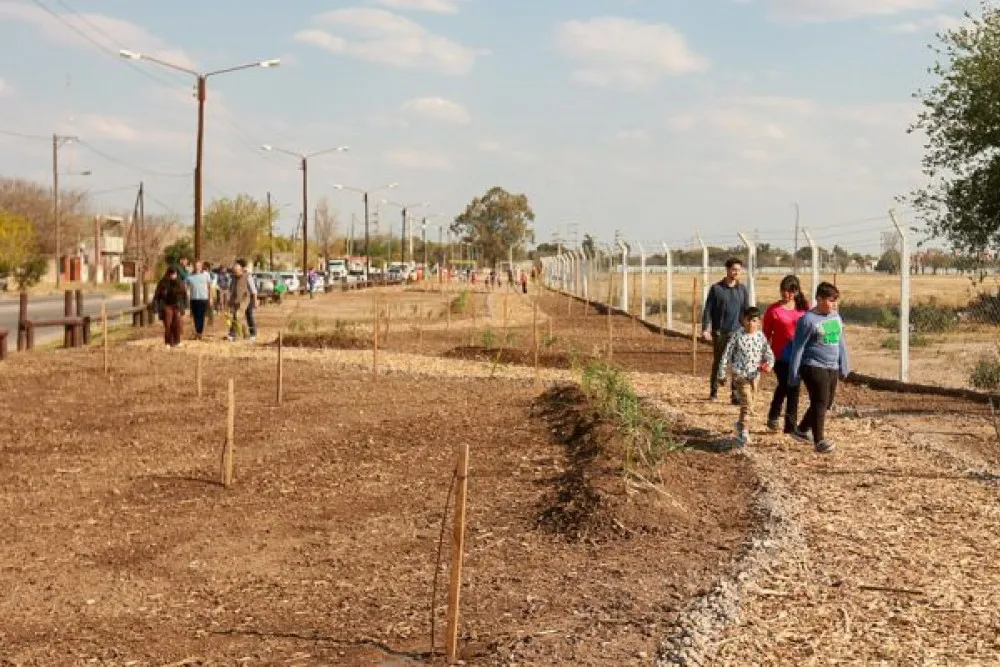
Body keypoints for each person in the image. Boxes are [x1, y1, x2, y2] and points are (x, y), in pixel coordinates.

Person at [787, 281, 850, 454]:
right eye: (830, 300)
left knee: (827, 402)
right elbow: (798, 348)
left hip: (832, 366)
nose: (834, 304)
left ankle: (801, 429)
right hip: (812, 365)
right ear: (819, 299)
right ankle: (819, 440)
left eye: (835, 300)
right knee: (820, 401)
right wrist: (794, 373)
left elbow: (841, 342)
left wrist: (844, 364)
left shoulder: (835, 317)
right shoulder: (807, 320)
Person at [717, 306, 775, 447]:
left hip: (754, 375)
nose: (751, 324)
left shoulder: (760, 337)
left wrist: (769, 365)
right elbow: (726, 354)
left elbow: (769, 354)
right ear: (743, 320)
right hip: (740, 375)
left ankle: (739, 424)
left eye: (754, 321)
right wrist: (722, 373)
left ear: (759, 322)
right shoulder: (737, 335)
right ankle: (743, 431)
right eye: (748, 320)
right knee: (747, 402)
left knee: (751, 404)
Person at [762, 275, 810, 433]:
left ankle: (788, 425)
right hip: (780, 354)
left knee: (793, 387)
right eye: (783, 290)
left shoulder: (804, 308)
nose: (786, 294)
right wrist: (763, 355)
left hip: (799, 354)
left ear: (796, 291)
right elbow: (765, 334)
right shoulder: (773, 310)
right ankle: (776, 416)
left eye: (790, 291)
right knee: (786, 384)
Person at [702, 257, 750, 403]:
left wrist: (748, 328)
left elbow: (746, 311)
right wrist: (705, 328)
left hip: (737, 333)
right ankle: (714, 391)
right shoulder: (716, 289)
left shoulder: (742, 290)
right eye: (734, 269)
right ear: (727, 270)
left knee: (736, 364)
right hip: (720, 333)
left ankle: (735, 395)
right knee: (719, 362)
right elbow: (708, 310)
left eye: (739, 270)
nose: (736, 272)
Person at [153, 266, 188, 348]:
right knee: (168, 324)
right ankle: (168, 342)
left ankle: (177, 341)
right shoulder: (162, 283)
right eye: (171, 274)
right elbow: (157, 295)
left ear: (177, 274)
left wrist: (184, 306)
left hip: (177, 305)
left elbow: (184, 295)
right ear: (168, 274)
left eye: (174, 274)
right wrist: (156, 307)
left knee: (177, 324)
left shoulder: (180, 283)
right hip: (166, 305)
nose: (173, 275)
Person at [228, 259, 258, 343]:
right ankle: (233, 334)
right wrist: (230, 301)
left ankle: (253, 334)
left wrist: (255, 301)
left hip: (248, 299)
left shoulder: (248, 277)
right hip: (238, 300)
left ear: (241, 270)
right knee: (235, 316)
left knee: (249, 316)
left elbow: (253, 290)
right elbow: (232, 290)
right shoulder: (234, 278)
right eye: (234, 271)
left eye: (236, 271)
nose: (235, 273)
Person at [185, 261, 211, 340]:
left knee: (201, 316)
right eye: (196, 266)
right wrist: (186, 295)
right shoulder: (189, 275)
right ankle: (197, 331)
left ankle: (199, 333)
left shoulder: (206, 274)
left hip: (203, 298)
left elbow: (209, 287)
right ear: (194, 266)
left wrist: (210, 298)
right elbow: (186, 286)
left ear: (201, 266)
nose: (197, 267)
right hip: (193, 298)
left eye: (199, 266)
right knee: (195, 316)